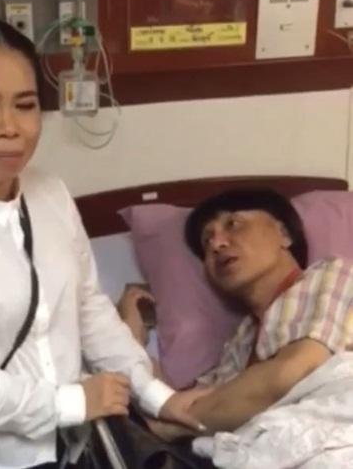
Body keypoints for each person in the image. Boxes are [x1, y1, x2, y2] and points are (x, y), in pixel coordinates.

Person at [0, 16, 204, 469]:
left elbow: (88, 309)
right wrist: (73, 402)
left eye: (25, 105)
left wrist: (157, 397)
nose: (10, 127)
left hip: (68, 446)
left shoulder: (50, 193)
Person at [119, 187, 353, 439]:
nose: (216, 244)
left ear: (284, 234)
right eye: (206, 242)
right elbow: (180, 405)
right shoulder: (240, 342)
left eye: (233, 224)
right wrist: (129, 338)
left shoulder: (331, 275)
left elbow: (296, 370)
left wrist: (165, 430)